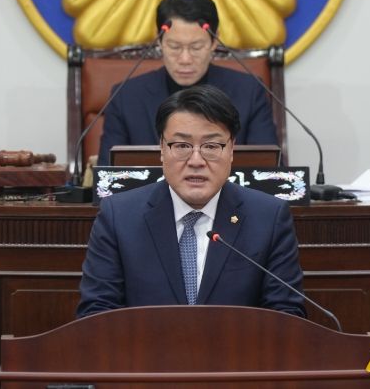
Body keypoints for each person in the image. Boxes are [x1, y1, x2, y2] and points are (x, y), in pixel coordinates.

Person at [77, 85, 305, 318]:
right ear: (162, 149)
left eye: (211, 146)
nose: (196, 160)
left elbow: (287, 315)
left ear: (231, 150)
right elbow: (96, 314)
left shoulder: (269, 217)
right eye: (182, 146)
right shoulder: (119, 216)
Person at [97, 0, 278, 166]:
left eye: (196, 47)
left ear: (215, 41)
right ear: (159, 40)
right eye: (174, 47)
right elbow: (107, 174)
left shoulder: (249, 91)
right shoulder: (125, 96)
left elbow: (269, 170)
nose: (185, 59)